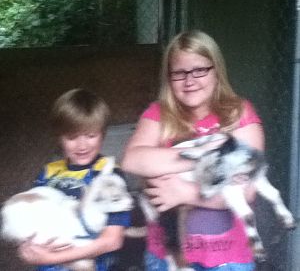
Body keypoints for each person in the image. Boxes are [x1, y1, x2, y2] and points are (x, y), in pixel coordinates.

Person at [121, 30, 265, 270]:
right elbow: (133, 160)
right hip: (167, 255)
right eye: (179, 73)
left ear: (216, 70)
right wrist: (205, 155)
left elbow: (246, 190)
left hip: (227, 258)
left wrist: (185, 192)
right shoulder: (158, 114)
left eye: (199, 70)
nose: (189, 81)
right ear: (169, 78)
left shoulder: (239, 114)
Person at [18, 88, 131, 271]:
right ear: (59, 137)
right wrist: (27, 249)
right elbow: (32, 222)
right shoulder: (48, 173)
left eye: (90, 135)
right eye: (71, 137)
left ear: (102, 134)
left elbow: (112, 240)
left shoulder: (108, 174)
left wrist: (51, 257)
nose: (82, 145)